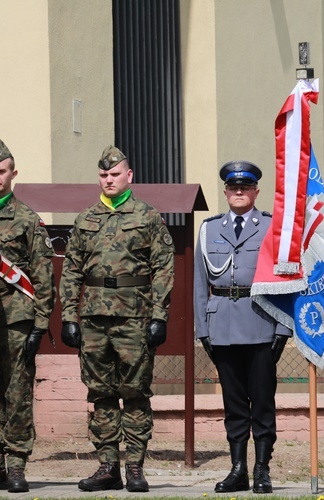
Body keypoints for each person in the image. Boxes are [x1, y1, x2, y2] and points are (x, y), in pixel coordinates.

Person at [59, 145, 175, 493]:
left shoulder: (148, 216)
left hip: (134, 319)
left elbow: (164, 267)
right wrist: (69, 316)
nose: (108, 180)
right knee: (100, 393)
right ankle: (108, 466)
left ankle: (136, 467)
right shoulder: (86, 219)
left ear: (129, 176)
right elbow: (71, 270)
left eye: (114, 174)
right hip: (94, 319)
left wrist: (159, 315)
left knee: (135, 392)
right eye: (103, 175)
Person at [194, 161, 291, 494]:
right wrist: (202, 329)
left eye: (245, 188)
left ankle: (262, 470)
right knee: (234, 405)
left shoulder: (271, 227)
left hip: (261, 323)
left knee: (262, 402)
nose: (239, 192)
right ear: (225, 192)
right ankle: (238, 469)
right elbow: (198, 282)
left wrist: (283, 330)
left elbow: (286, 280)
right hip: (222, 325)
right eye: (233, 188)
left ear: (255, 192)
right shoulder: (208, 229)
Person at [0, 139, 55, 493]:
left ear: (13, 174)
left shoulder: (26, 219)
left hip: (16, 322)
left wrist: (40, 323)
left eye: (2, 171)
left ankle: (16, 464)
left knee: (17, 393)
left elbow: (43, 275)